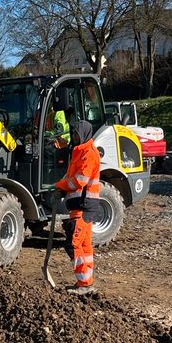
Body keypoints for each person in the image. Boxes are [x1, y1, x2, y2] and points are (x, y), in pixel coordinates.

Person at [54, 120, 101, 295]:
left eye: (76, 134)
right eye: (73, 134)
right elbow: (71, 176)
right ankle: (87, 282)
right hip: (81, 205)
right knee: (85, 245)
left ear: (83, 134)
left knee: (73, 244)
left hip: (84, 205)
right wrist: (62, 188)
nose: (74, 137)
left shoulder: (88, 153)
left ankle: (84, 283)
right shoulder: (79, 152)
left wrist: (59, 186)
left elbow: (79, 180)